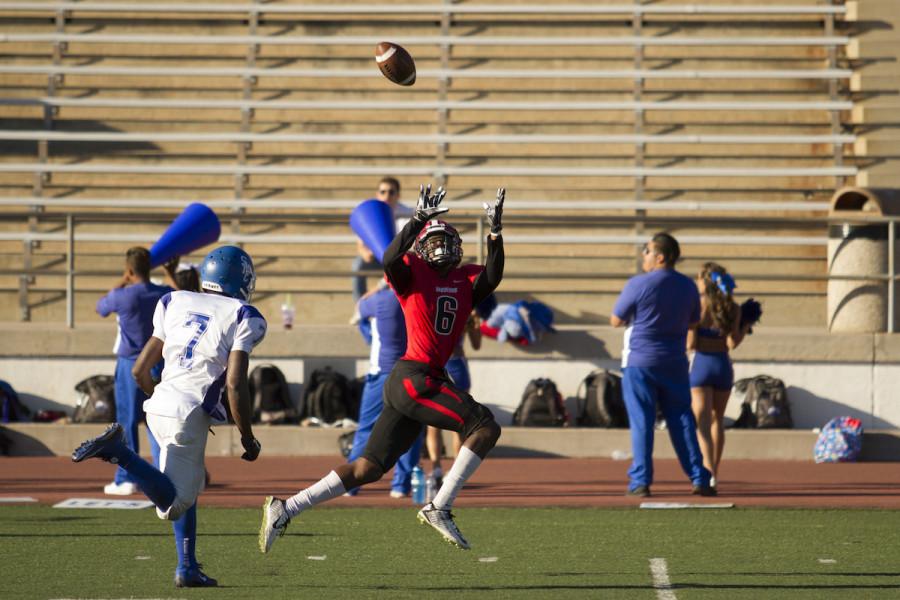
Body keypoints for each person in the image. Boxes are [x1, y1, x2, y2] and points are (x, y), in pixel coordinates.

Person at [260, 184, 506, 553]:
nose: (442, 247)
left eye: (446, 241)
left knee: (368, 468)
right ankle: (440, 505)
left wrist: (496, 233)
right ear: (422, 248)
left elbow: (493, 275)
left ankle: (285, 507)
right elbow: (390, 258)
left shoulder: (461, 281)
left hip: (415, 380)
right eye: (434, 241)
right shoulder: (412, 274)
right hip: (415, 377)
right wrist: (418, 220)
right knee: (484, 426)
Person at [72, 245, 265, 588]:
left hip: (160, 404)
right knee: (175, 503)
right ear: (243, 279)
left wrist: (160, 398)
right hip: (187, 411)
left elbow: (139, 370)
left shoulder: (174, 301)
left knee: (181, 485)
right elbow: (235, 385)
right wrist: (248, 437)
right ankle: (120, 453)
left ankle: (187, 567)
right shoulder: (243, 314)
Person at [610, 232, 714, 498]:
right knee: (682, 419)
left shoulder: (638, 283)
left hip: (639, 361)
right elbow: (693, 321)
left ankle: (641, 481)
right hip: (675, 361)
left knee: (642, 421)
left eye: (646, 251)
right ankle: (699, 478)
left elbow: (616, 319)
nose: (643, 255)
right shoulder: (688, 286)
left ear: (659, 257)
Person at [95, 247, 174, 495]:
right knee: (156, 421)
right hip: (157, 362)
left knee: (127, 423)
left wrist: (124, 278)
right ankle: (163, 474)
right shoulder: (162, 293)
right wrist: (170, 271)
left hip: (130, 364)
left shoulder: (123, 296)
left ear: (129, 270)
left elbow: (101, 307)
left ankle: (126, 477)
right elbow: (181, 295)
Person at [348, 284, 424, 498]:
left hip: (382, 373)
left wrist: (378, 287)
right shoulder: (419, 296)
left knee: (366, 430)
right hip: (412, 373)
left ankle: (351, 484)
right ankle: (401, 485)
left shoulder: (381, 299)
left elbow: (360, 308)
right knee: (410, 431)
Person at [688, 262, 752, 489]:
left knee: (702, 423)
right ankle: (716, 471)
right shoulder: (732, 308)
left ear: (705, 281)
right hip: (723, 366)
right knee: (718, 420)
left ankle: (707, 471)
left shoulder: (698, 307)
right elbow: (732, 343)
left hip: (701, 365)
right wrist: (745, 326)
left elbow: (691, 344)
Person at [426, 310, 482, 487]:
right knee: (457, 422)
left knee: (433, 421)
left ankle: (437, 468)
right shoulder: (464, 308)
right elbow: (476, 344)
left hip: (437, 363)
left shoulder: (433, 306)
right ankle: (454, 472)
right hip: (456, 364)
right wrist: (474, 323)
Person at [352, 176, 415, 303]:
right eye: (383, 192)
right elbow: (360, 243)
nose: (387, 195)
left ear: (398, 195)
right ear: (377, 194)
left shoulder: (408, 215)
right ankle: (360, 305)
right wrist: (365, 253)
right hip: (379, 257)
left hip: (400, 259)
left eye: (391, 192)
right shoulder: (372, 211)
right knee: (358, 265)